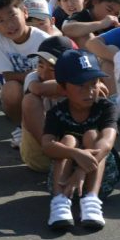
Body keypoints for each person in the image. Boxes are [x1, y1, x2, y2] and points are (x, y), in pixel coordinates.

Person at [42, 49, 120, 231]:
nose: (90, 91)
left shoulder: (106, 107)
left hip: (103, 179)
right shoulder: (56, 113)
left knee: (92, 135)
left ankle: (91, 200)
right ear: (63, 88)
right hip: (63, 181)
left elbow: (107, 143)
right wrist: (75, 153)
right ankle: (60, 201)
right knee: (68, 140)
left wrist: (81, 171)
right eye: (81, 85)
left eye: (94, 83)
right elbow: (46, 145)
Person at [0, 0, 49, 149]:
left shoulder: (44, 41)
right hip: (19, 90)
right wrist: (32, 76)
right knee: (10, 89)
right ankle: (22, 127)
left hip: (42, 92)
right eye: (0, 21)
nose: (9, 25)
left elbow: (51, 76)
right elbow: (7, 76)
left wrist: (31, 79)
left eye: (12, 16)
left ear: (25, 12)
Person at [20, 35, 75, 172]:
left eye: (52, 68)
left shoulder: (77, 77)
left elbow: (102, 90)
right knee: (30, 100)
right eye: (40, 65)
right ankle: (54, 154)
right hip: (41, 155)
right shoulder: (33, 77)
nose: (43, 73)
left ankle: (71, 162)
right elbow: (38, 88)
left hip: (74, 146)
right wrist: (67, 88)